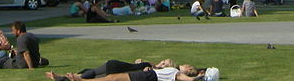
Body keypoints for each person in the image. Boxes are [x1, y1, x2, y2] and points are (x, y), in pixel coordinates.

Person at [46, 61, 206, 81]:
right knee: (93, 72)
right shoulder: (171, 68)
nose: (187, 66)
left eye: (189, 69)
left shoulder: (176, 73)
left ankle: (77, 80)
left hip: (145, 76)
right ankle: (65, 79)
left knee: (109, 78)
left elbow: (190, 80)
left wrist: (199, 76)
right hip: (142, 73)